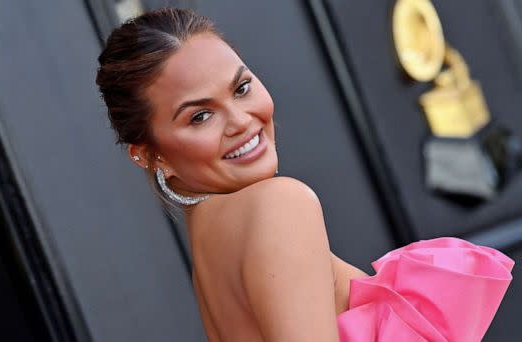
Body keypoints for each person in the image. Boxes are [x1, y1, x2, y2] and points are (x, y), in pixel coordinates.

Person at [95, 8, 514, 341]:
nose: (242, 121)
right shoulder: (279, 206)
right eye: (200, 116)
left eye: (241, 88)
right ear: (151, 156)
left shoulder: (210, 246)